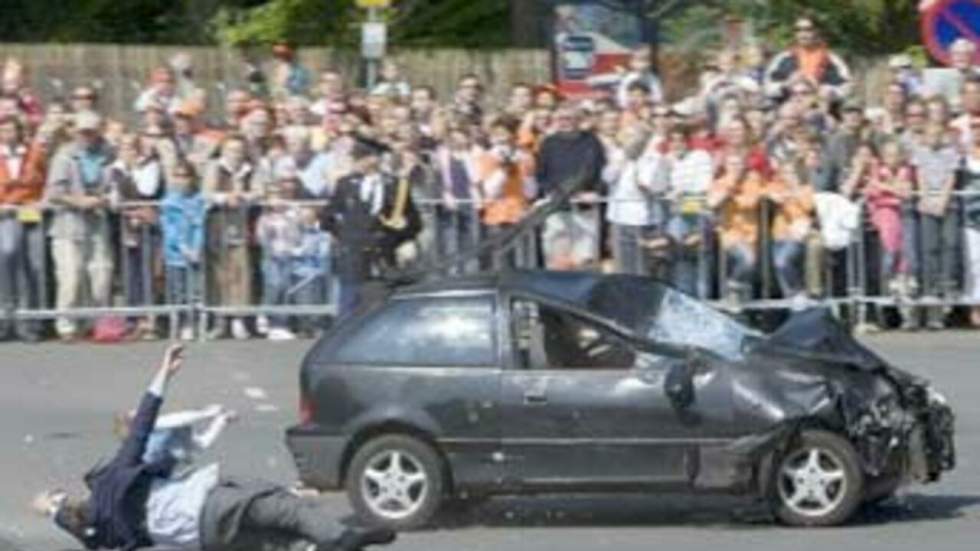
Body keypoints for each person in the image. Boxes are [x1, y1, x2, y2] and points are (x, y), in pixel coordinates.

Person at [33, 344, 397, 551]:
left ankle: (325, 544)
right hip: (209, 505)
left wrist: (53, 510)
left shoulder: (106, 536)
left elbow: (81, 530)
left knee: (276, 544)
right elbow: (142, 425)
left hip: (203, 540)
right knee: (282, 509)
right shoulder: (113, 481)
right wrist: (164, 372)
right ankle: (345, 539)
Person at [45, 110, 115, 341]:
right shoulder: (63, 156)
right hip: (68, 225)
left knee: (101, 273)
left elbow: (114, 183)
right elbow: (54, 193)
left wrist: (105, 199)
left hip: (97, 222)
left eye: (92, 132)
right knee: (71, 276)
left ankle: (95, 322)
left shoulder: (107, 153)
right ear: (75, 132)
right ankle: (66, 324)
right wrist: (79, 201)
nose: (87, 136)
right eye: (83, 132)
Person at [203, 134, 266, 340]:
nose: (235, 155)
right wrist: (224, 197)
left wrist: (242, 197)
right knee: (220, 274)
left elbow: (259, 192)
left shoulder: (252, 169)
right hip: (219, 224)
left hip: (243, 224)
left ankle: (240, 318)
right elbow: (206, 192)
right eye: (231, 150)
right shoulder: (214, 168)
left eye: (239, 150)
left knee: (242, 272)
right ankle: (221, 319)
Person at [107, 134, 165, 340]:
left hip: (149, 227)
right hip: (126, 226)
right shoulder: (114, 170)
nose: (127, 152)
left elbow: (147, 190)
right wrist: (130, 210)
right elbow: (114, 201)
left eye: (131, 148)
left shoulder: (150, 166)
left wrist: (131, 171)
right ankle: (132, 318)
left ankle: (150, 320)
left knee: (148, 272)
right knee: (130, 274)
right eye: (123, 148)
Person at [321, 141, 388, 317]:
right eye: (357, 159)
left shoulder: (390, 183)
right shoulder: (346, 183)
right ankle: (346, 324)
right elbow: (329, 214)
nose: (357, 163)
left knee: (385, 286)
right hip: (354, 244)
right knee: (351, 288)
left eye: (361, 158)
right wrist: (342, 234)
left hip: (384, 242)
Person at [535, 105, 606, 269]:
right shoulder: (548, 143)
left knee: (585, 259)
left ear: (579, 120)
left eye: (569, 118)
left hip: (585, 207)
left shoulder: (592, 141)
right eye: (561, 119)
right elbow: (541, 174)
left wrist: (594, 192)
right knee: (556, 259)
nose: (564, 122)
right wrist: (553, 192)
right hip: (557, 208)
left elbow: (600, 170)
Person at [0, 115, 47, 342]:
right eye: (4, 131)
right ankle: (5, 318)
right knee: (7, 256)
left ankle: (31, 323)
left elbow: (43, 180)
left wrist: (41, 200)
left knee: (34, 265)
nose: (8, 135)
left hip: (29, 210)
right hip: (6, 213)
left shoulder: (34, 152)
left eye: (12, 130)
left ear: (19, 132)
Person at [911, 122, 962, 329]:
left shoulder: (950, 152)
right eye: (929, 134)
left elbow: (951, 177)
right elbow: (920, 175)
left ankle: (948, 284)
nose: (933, 138)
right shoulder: (920, 152)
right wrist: (925, 198)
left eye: (936, 134)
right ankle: (931, 293)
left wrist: (942, 200)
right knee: (929, 248)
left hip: (946, 203)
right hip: (928, 203)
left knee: (950, 244)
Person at [865, 139, 919, 329]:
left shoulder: (908, 170)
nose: (892, 159)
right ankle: (885, 306)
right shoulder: (876, 171)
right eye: (888, 155)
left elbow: (907, 192)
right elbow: (872, 189)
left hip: (904, 216)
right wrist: (891, 189)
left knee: (907, 257)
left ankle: (908, 313)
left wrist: (887, 188)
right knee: (889, 253)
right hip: (885, 217)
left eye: (895, 154)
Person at [708, 153, 763, 304]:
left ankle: (740, 300)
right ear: (726, 166)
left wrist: (733, 197)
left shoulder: (752, 181)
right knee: (748, 259)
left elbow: (752, 202)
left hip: (750, 232)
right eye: (732, 164)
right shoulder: (720, 183)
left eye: (738, 164)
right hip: (730, 232)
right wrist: (728, 187)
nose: (736, 168)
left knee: (750, 270)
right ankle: (733, 284)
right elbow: (712, 203)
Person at [161, 161, 206, 341]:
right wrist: (182, 246)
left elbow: (199, 226)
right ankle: (177, 324)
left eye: (185, 176)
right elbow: (169, 228)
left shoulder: (198, 200)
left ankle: (191, 323)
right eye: (177, 176)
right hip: (175, 255)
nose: (181, 181)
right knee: (177, 291)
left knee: (194, 291)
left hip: (194, 255)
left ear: (192, 178)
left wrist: (195, 248)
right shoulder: (168, 202)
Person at [763, 15, 852, 104]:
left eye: (808, 29)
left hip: (820, 111)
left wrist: (824, 90)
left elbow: (846, 88)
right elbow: (767, 87)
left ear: (817, 31)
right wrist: (786, 84)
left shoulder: (831, 60)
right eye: (798, 30)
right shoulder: (783, 58)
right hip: (789, 112)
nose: (803, 34)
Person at [256, 177, 302, 341]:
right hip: (272, 257)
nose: (277, 199)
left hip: (288, 255)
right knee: (273, 287)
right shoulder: (265, 218)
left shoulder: (291, 213)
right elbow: (261, 237)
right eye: (273, 196)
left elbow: (296, 234)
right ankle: (266, 317)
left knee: (285, 289)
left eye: (279, 195)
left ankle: (281, 323)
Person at [767, 161, 816, 302]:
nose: (789, 176)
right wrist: (775, 195)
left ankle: (799, 292)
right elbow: (768, 193)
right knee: (781, 273)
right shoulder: (778, 187)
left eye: (792, 173)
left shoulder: (806, 189)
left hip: (796, 234)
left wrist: (794, 192)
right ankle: (792, 302)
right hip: (779, 233)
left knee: (782, 262)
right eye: (786, 173)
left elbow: (808, 206)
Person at [961, 116, 980, 327]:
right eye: (974, 128)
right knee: (975, 263)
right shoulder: (963, 156)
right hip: (971, 216)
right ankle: (975, 307)